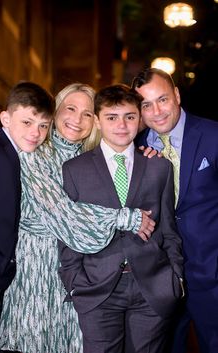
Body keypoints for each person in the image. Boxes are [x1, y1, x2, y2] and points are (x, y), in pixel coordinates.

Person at [0, 83, 155, 353]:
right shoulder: (33, 152)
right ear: (56, 111)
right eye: (70, 108)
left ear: (94, 120)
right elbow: (64, 215)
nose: (77, 119)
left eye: (86, 113)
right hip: (37, 270)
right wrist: (125, 218)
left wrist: (144, 156)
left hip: (85, 274)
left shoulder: (95, 158)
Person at [59, 83, 184, 353]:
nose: (121, 125)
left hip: (152, 287)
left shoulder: (159, 166)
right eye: (111, 117)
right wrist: (75, 282)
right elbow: (68, 233)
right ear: (98, 121)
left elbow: (168, 229)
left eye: (129, 116)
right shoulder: (74, 169)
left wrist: (175, 277)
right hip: (96, 289)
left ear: (139, 120)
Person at [132, 67, 218, 353]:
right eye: (146, 104)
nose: (156, 111)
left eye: (162, 99)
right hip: (161, 279)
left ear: (177, 96)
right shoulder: (135, 150)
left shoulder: (212, 134)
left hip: (212, 274)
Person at [0, 81, 55, 353]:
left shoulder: (18, 155)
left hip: (1, 282)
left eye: (44, 125)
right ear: (5, 117)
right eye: (27, 122)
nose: (36, 132)